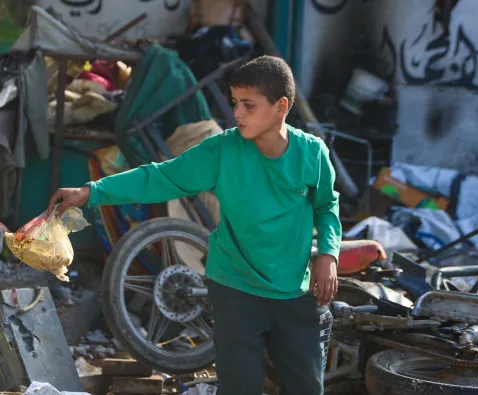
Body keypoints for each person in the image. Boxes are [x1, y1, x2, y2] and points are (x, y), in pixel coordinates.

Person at [49, 56, 341, 395]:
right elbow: (159, 177)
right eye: (235, 103)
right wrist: (90, 192)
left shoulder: (311, 154)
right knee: (240, 388)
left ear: (281, 107)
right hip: (235, 289)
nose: (237, 113)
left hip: (295, 291)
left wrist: (328, 255)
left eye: (248, 105)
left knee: (307, 386)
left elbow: (327, 207)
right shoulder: (222, 151)